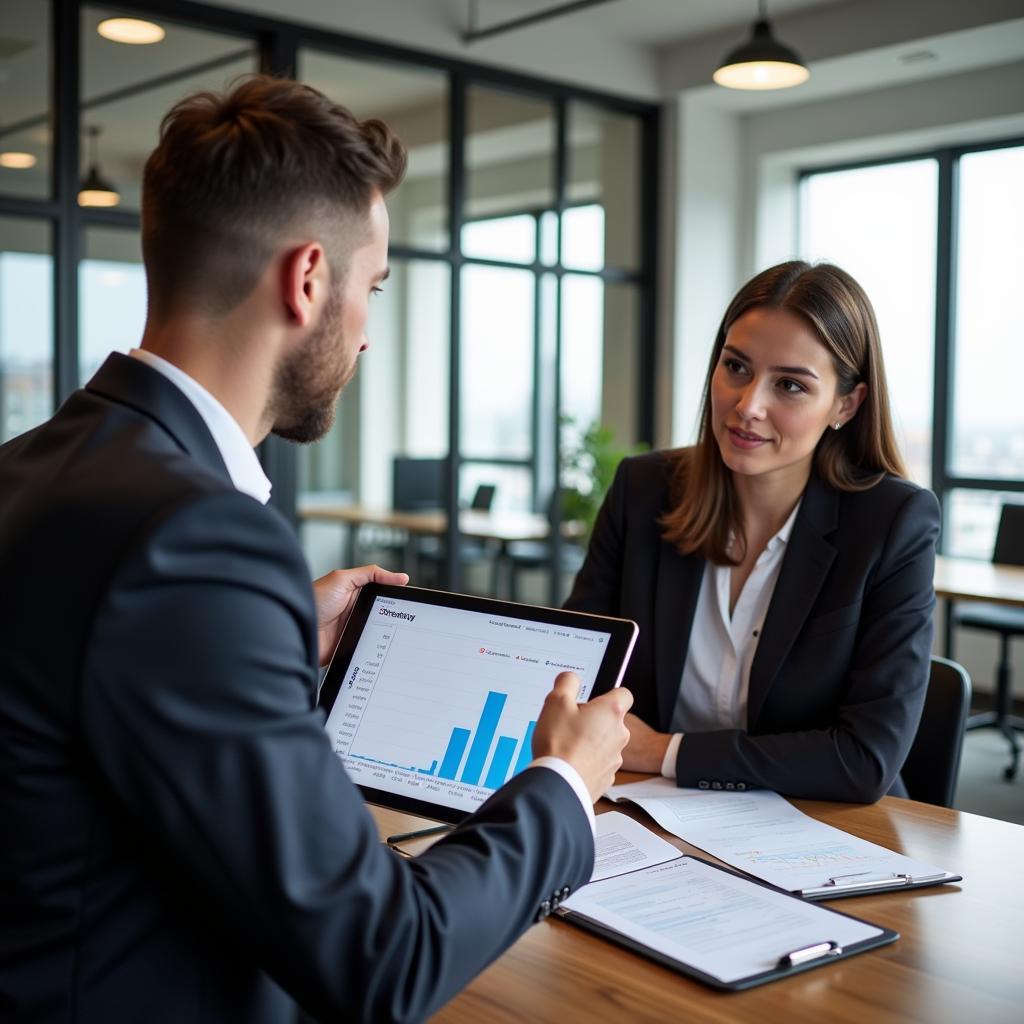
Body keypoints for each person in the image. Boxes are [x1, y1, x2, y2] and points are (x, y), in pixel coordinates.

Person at [0, 76, 632, 1023]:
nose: (368, 330)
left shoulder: (33, 469)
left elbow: (85, 692)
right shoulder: (196, 537)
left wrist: (284, 625)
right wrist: (563, 785)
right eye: (371, 287)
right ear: (306, 281)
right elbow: (385, 961)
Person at [566, 260, 939, 803]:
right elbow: (576, 670)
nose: (748, 406)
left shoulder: (892, 524)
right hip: (650, 814)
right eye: (737, 367)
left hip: (822, 827)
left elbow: (864, 760)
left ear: (845, 404)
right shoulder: (643, 490)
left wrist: (665, 751)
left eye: (789, 385)